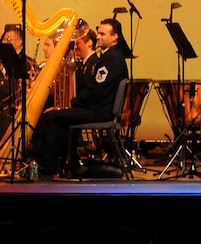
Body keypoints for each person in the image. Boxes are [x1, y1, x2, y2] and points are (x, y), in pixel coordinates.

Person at [30, 19, 128, 177]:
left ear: (115, 37)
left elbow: (97, 91)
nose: (99, 37)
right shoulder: (113, 56)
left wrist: (72, 103)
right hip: (99, 109)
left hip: (100, 112)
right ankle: (58, 163)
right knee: (56, 116)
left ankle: (45, 167)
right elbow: (96, 89)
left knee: (51, 117)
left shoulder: (111, 59)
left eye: (103, 34)